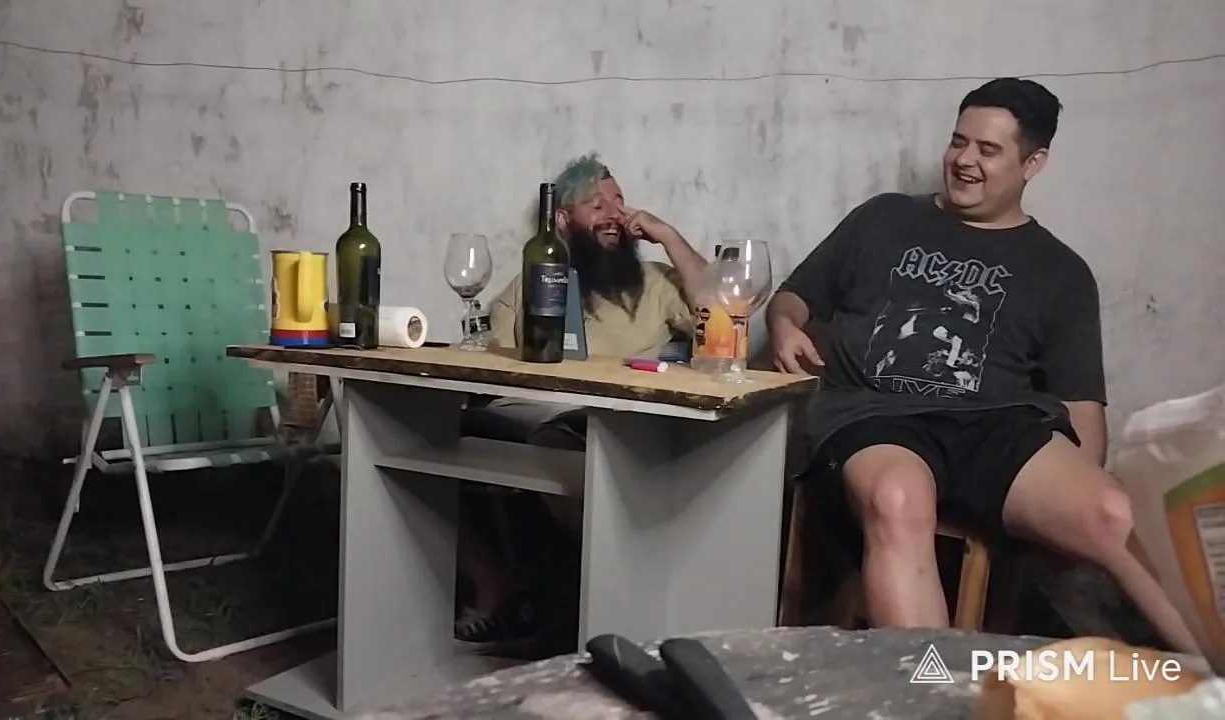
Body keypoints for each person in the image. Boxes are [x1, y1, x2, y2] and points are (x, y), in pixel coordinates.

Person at [766, 77, 1200, 655]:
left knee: (1114, 514)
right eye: (958, 141)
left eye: (988, 150)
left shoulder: (1061, 271)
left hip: (997, 425)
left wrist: (1074, 495)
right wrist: (785, 325)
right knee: (899, 498)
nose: (964, 160)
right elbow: (794, 297)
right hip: (876, 416)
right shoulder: (884, 218)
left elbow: (1081, 406)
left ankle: (1214, 675)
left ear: (1033, 163)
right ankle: (931, 693)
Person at [454, 151, 709, 644]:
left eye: (620, 201)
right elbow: (490, 364)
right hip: (535, 411)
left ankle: (597, 617)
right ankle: (494, 583)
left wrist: (669, 236)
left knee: (565, 443)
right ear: (563, 220)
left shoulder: (657, 282)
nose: (615, 214)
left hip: (619, 419)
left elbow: (719, 309)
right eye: (597, 204)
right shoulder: (532, 279)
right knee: (429, 431)